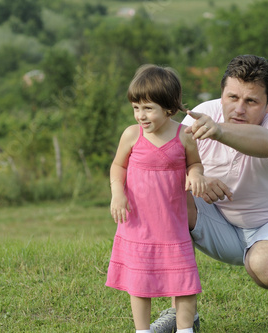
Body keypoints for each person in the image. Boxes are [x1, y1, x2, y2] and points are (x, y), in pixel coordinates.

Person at [150, 55, 268, 332]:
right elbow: (168, 168)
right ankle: (183, 312)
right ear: (222, 94)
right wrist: (197, 180)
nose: (238, 109)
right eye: (232, 97)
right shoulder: (203, 113)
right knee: (168, 197)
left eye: (251, 101)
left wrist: (219, 131)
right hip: (222, 225)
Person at [106, 64, 208, 333]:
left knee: (183, 281)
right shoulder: (131, 135)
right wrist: (118, 193)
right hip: (138, 225)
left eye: (148, 108)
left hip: (172, 225)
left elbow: (194, 164)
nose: (141, 115)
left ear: (169, 108)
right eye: (136, 107)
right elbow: (118, 167)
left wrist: (196, 174)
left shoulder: (184, 136)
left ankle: (185, 329)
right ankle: (143, 330)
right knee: (139, 283)